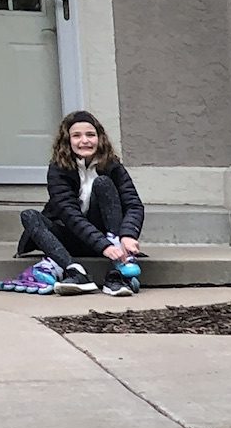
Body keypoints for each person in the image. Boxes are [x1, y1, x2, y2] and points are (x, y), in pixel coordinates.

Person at [15, 111, 146, 296]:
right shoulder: (58, 169)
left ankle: (116, 274)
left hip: (107, 238)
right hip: (71, 237)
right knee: (29, 216)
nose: (84, 140)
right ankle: (74, 271)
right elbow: (69, 214)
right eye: (76, 135)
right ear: (67, 140)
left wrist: (128, 235)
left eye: (90, 135)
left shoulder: (113, 166)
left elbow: (134, 204)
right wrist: (104, 246)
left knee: (103, 183)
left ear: (100, 139)